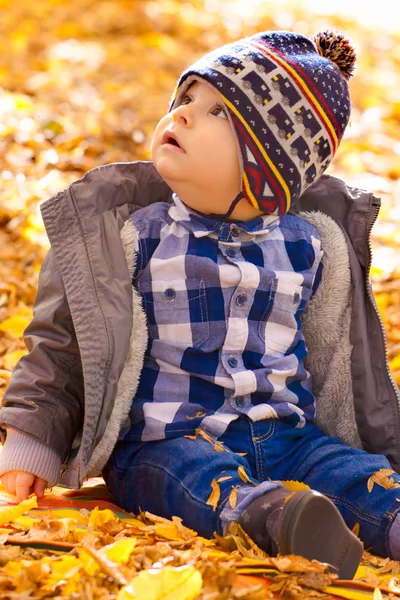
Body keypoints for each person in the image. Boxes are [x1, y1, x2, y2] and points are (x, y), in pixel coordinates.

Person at [1, 29, 400, 580]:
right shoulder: (135, 237)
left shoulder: (310, 248)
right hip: (164, 439)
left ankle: (389, 515)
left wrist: (372, 443)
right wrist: (32, 444)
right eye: (186, 98)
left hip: (287, 435)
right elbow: (64, 346)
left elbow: (340, 360)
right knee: (191, 477)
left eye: (216, 112)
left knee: (350, 471)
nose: (183, 114)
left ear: (269, 172)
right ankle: (273, 519)